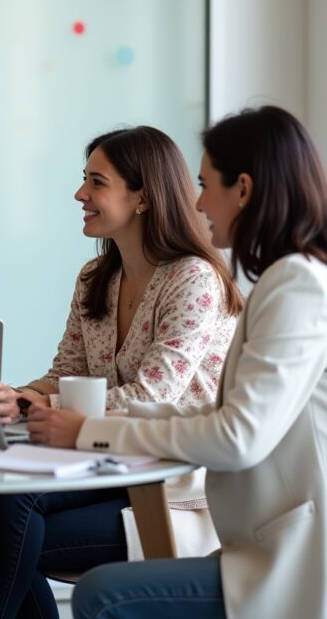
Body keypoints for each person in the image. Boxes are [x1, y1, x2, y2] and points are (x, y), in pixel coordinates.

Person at [51, 106, 327, 619]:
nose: (198, 201)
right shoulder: (284, 280)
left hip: (290, 561)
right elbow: (214, 417)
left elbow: (236, 437)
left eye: (206, 184)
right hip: (257, 547)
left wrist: (93, 431)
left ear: (242, 189)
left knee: (100, 595)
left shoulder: (295, 285)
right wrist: (85, 421)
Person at [0, 126, 243, 619]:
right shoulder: (95, 278)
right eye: (84, 179)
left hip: (170, 479)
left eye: (97, 182)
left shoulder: (194, 279)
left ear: (142, 198)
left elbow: (152, 395)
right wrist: (19, 395)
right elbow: (65, 371)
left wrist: (44, 405)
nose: (80, 194)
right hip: (106, 459)